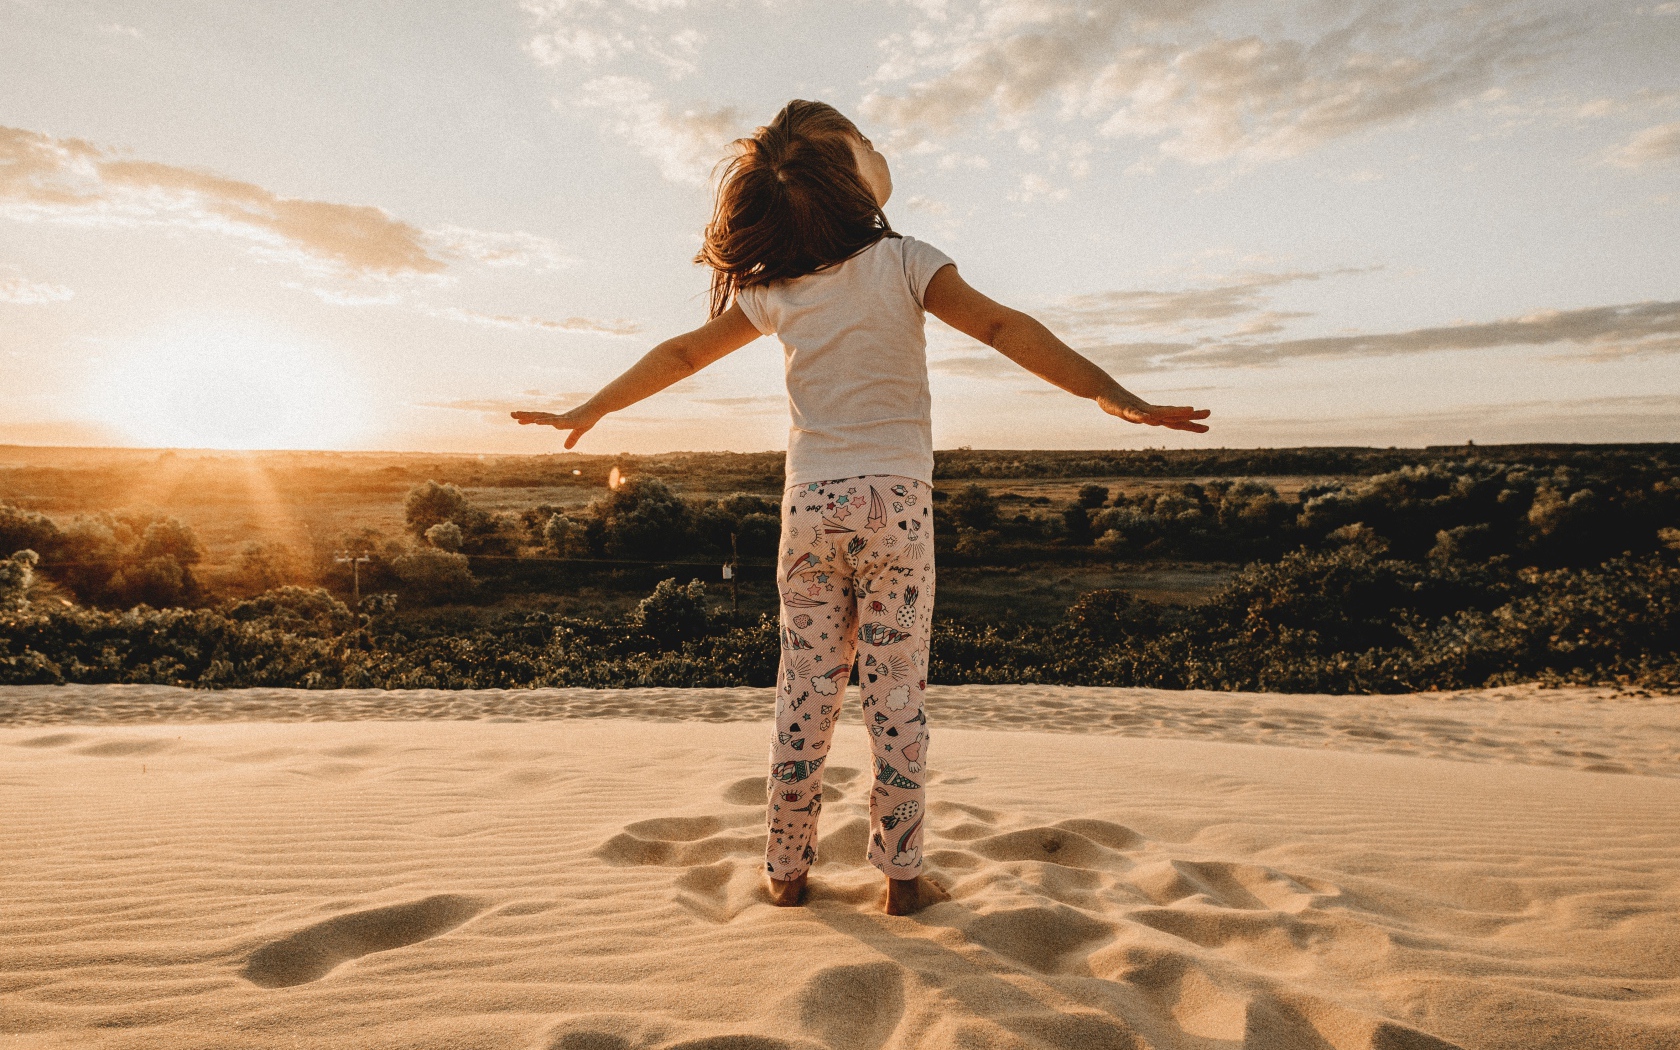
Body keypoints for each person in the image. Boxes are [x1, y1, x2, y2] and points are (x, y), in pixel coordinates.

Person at [514, 100, 1209, 916]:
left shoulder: (775, 289)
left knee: (804, 693)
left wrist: (592, 407)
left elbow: (682, 353)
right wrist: (1109, 394)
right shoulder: (907, 261)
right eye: (867, 143)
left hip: (810, 507)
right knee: (896, 696)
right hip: (896, 509)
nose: (882, 151)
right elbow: (1000, 325)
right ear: (848, 179)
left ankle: (785, 870)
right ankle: (903, 879)